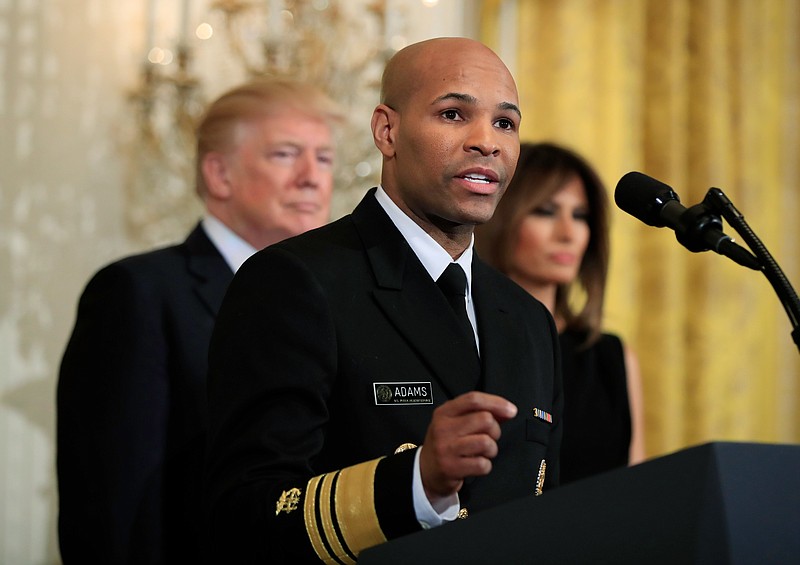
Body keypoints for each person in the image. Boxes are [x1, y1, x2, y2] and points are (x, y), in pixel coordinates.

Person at [204, 37, 562, 564]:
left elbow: (548, 517)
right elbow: (245, 515)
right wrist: (416, 483)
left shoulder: (529, 319)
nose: (486, 141)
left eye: (505, 123)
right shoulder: (294, 282)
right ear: (386, 131)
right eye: (453, 114)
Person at [56, 79, 343, 564]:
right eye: (285, 154)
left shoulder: (331, 298)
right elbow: (112, 501)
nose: (311, 177)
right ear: (219, 174)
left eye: (325, 158)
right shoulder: (138, 292)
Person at [475, 141, 645, 485]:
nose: (569, 234)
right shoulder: (470, 337)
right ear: (501, 217)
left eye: (580, 216)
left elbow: (634, 486)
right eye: (546, 211)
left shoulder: (612, 357)